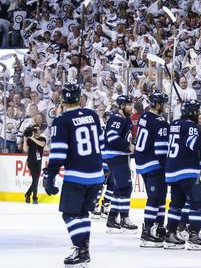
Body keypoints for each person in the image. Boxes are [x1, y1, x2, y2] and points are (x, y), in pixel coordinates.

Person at [42, 84, 105, 267]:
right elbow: (101, 143)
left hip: (77, 176)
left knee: (70, 214)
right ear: (80, 99)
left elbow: (59, 152)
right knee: (83, 213)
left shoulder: (62, 121)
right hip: (96, 174)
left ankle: (82, 250)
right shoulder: (92, 115)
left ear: (62, 100)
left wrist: (50, 173)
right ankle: (82, 249)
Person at [164, 100, 201, 250]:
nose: (200, 114)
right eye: (198, 111)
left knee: (176, 204)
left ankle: (170, 235)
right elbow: (194, 145)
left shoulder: (175, 123)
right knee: (197, 201)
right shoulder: (190, 126)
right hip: (186, 170)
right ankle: (194, 236)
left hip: (172, 169)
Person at [134, 90, 170, 247]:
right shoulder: (160, 121)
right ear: (157, 104)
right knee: (155, 198)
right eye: (162, 103)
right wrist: (167, 166)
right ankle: (147, 231)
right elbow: (161, 150)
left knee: (160, 197)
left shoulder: (144, 116)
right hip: (154, 163)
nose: (164, 106)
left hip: (142, 162)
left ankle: (159, 227)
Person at [102, 95, 137, 233]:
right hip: (116, 156)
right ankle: (124, 218)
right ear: (122, 106)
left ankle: (112, 219)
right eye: (128, 105)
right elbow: (112, 137)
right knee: (126, 186)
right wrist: (128, 146)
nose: (131, 107)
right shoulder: (118, 118)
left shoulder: (125, 119)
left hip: (119, 156)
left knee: (119, 187)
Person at [23, 124, 46, 204]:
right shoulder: (29, 140)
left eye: (38, 129)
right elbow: (25, 150)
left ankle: (28, 195)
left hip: (39, 162)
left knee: (35, 180)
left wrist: (32, 137)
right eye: (35, 130)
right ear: (33, 131)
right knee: (35, 179)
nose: (37, 131)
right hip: (31, 162)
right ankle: (34, 197)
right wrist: (25, 139)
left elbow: (42, 144)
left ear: (40, 130)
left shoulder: (43, 138)